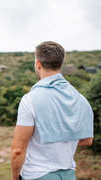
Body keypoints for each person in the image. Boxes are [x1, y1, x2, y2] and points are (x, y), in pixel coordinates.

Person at [11, 41, 94, 180]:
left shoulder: (30, 100)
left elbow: (18, 150)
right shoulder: (81, 99)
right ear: (60, 64)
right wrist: (61, 141)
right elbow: (88, 140)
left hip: (37, 175)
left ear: (38, 64)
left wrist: (14, 177)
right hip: (68, 175)